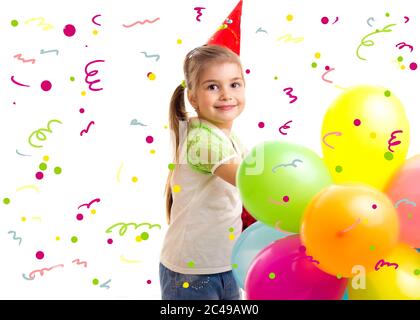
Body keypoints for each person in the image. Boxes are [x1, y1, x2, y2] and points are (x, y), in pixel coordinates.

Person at [159, 45, 248, 300]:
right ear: (193, 97)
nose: (226, 95)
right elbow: (247, 178)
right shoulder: (202, 141)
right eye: (212, 86)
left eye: (235, 84)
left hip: (225, 263)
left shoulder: (228, 137)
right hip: (193, 273)